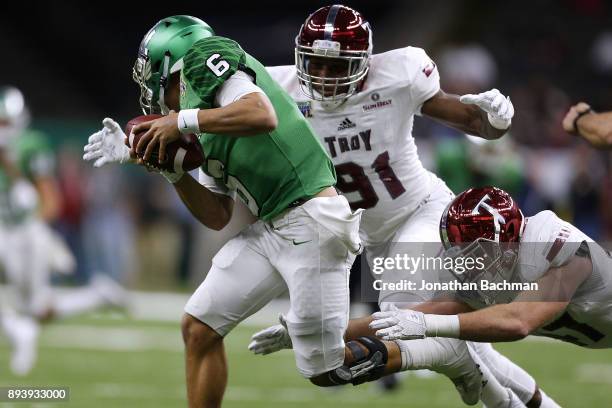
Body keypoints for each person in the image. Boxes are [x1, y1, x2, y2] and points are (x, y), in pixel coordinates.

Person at [82, 15, 440, 408]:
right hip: (274, 229)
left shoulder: (205, 58)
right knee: (200, 327)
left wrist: (179, 120)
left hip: (314, 223)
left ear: (171, 62)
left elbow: (260, 113)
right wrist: (173, 172)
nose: (148, 85)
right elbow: (218, 215)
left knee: (326, 369)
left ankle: (442, 353)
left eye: (152, 72)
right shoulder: (204, 123)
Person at [253, 5, 557, 407]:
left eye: (335, 65)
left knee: (402, 319)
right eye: (316, 64)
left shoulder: (398, 75)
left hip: (420, 212)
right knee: (463, 343)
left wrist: (495, 122)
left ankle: (483, 386)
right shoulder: (279, 91)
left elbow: (474, 122)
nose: (323, 76)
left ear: (363, 62)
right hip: (369, 236)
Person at [369, 186, 612, 350]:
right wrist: (335, 335)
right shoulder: (489, 277)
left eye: (475, 253)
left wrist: (426, 326)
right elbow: (405, 317)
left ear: (506, 238)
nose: (468, 266)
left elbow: (519, 321)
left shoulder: (557, 247)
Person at [0, 86, 126, 376]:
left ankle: (97, 295)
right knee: (36, 311)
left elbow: (51, 201)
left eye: (5, 123)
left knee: (39, 310)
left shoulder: (30, 145)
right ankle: (22, 329)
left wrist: (41, 234)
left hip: (25, 234)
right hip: (5, 230)